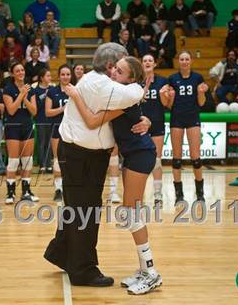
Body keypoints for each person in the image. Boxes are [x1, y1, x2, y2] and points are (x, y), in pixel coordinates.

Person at [43, 43, 147, 287]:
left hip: (80, 153)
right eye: (120, 66)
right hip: (82, 156)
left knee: (77, 207)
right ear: (110, 66)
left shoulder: (94, 79)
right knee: (86, 212)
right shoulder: (104, 85)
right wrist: (141, 80)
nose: (119, 71)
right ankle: (83, 270)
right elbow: (137, 93)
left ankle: (61, 253)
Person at [64, 56, 162, 295]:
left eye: (120, 71)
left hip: (141, 155)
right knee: (130, 214)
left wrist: (75, 94)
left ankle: (151, 273)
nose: (113, 73)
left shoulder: (123, 97)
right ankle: (144, 270)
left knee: (132, 213)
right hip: (134, 155)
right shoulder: (122, 93)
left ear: (130, 79)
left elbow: (92, 121)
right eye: (114, 68)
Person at [160, 50, 208, 203]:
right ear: (178, 61)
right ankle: (179, 195)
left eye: (187, 59)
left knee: (196, 158)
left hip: (193, 118)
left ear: (191, 61)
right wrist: (169, 97)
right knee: (177, 158)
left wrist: (201, 93)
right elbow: (168, 105)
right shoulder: (172, 79)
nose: (185, 61)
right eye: (182, 59)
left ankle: (200, 194)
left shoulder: (198, 78)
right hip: (177, 119)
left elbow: (201, 103)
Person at [2, 62, 38, 204]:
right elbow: (11, 110)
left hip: (27, 125)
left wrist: (25, 98)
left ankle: (26, 191)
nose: (21, 72)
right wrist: (21, 94)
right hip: (12, 126)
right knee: (13, 161)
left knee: (27, 162)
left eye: (22, 70)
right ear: (12, 74)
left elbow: (34, 111)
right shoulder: (8, 89)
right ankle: (10, 193)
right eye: (17, 70)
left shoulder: (30, 89)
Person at [141, 54, 169, 203]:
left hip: (157, 122)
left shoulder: (162, 81)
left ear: (155, 64)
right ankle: (140, 191)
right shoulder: (136, 81)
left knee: (157, 160)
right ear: (141, 64)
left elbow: (165, 104)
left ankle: (158, 193)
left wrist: (164, 95)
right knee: (140, 160)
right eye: (145, 61)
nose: (147, 63)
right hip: (140, 125)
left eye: (150, 60)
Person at [45, 64, 71, 201]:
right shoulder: (52, 91)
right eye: (63, 74)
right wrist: (63, 109)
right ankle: (58, 189)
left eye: (67, 74)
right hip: (57, 128)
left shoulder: (75, 90)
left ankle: (70, 188)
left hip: (73, 130)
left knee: (72, 159)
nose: (65, 77)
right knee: (58, 158)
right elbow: (48, 112)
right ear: (59, 76)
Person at [32, 68, 53, 173]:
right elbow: (37, 107)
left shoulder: (53, 89)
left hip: (51, 120)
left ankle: (49, 164)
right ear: (41, 78)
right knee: (41, 143)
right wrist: (45, 96)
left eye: (50, 76)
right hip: (40, 120)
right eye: (47, 76)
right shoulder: (36, 91)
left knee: (49, 143)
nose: (50, 78)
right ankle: (42, 165)